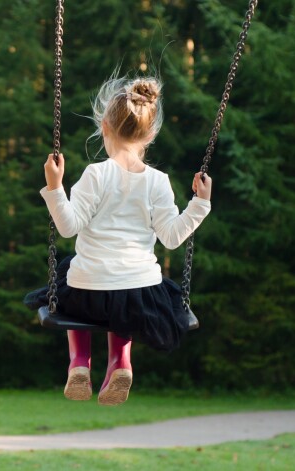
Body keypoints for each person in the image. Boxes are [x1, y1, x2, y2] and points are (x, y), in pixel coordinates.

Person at [28, 74, 212, 406]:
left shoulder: (95, 175)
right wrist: (199, 204)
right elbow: (172, 238)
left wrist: (54, 186)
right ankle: (121, 363)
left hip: (87, 293)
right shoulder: (158, 181)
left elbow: (68, 227)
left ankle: (79, 362)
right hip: (139, 296)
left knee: (70, 274)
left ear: (104, 127)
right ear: (151, 133)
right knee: (125, 295)